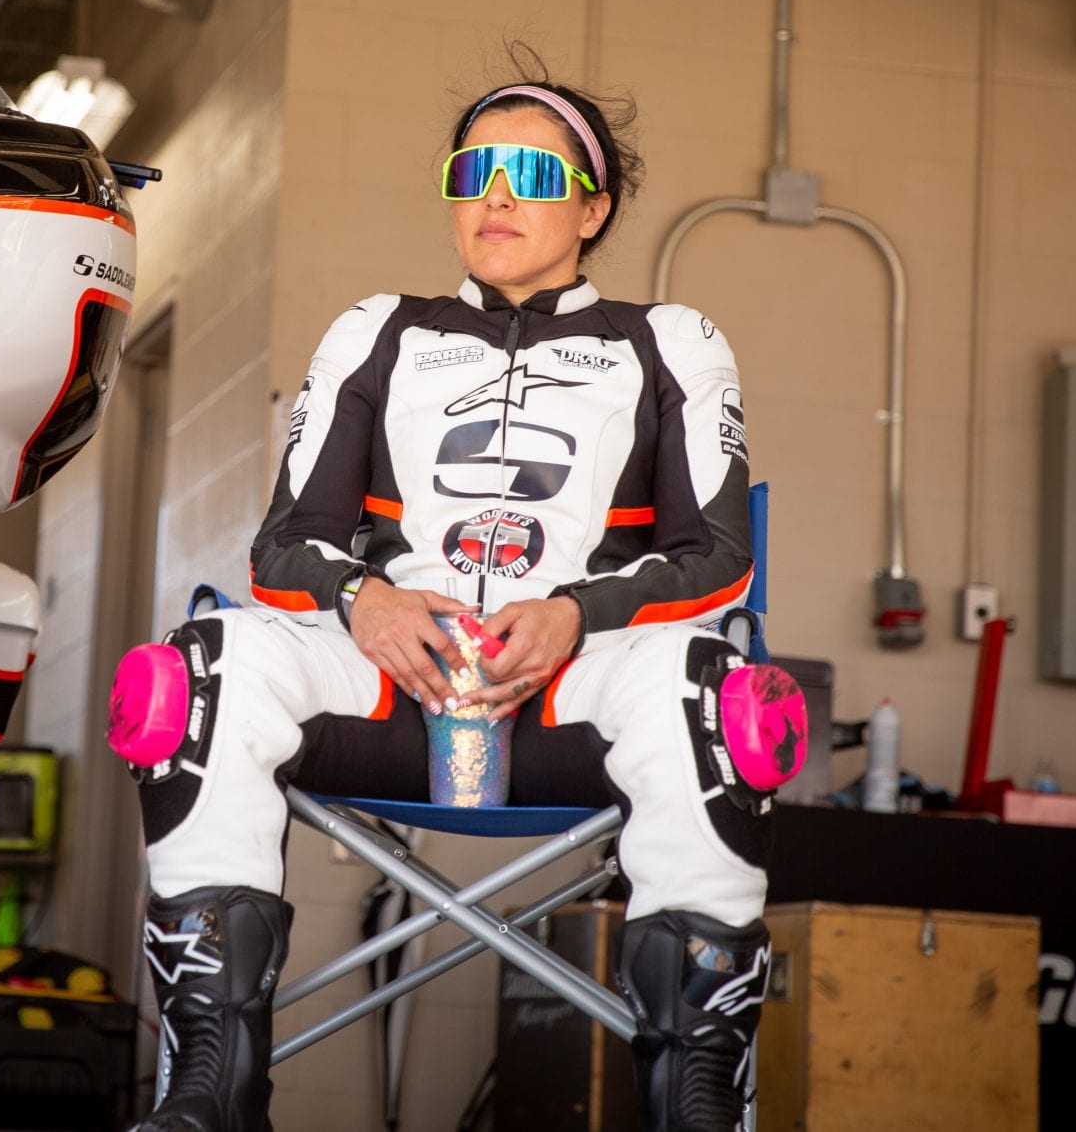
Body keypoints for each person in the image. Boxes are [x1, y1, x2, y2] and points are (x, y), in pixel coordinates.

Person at [121, 65, 803, 1132]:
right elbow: (283, 546)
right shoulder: (377, 329)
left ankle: (696, 1100)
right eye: (472, 170)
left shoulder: (671, 340)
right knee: (196, 671)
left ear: (593, 206)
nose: (494, 194)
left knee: (719, 696)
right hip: (391, 686)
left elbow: (716, 555)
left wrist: (576, 614)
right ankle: (209, 1082)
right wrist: (366, 604)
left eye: (530, 173)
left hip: (578, 694)